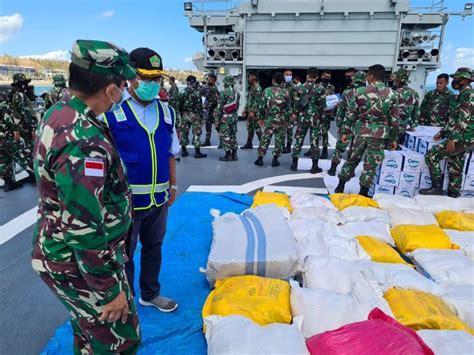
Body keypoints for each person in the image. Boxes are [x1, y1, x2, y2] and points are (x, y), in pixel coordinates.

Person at [32, 39, 141, 354]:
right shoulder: (84, 142)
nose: (124, 92)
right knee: (119, 341)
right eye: (122, 85)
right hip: (79, 262)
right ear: (109, 88)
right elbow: (83, 224)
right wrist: (109, 291)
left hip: (63, 252)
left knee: (88, 333)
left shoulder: (61, 111)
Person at [103, 47, 179, 312]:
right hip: (126, 202)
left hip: (158, 200)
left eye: (156, 79)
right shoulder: (111, 112)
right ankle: (128, 299)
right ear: (131, 77)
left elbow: (171, 152)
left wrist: (173, 185)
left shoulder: (168, 112)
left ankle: (150, 293)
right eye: (146, 78)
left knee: (153, 248)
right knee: (124, 254)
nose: (152, 84)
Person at [334, 64, 400, 197]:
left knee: (352, 159)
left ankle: (340, 187)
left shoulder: (359, 91)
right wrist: (393, 138)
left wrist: (345, 132)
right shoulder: (392, 94)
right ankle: (363, 193)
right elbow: (394, 120)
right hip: (379, 134)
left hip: (361, 131)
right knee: (371, 165)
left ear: (371, 75)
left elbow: (351, 114)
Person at [419, 67, 473, 198]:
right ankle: (453, 195)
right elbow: (454, 118)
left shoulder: (469, 95)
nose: (454, 81)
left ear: (465, 80)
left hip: (462, 138)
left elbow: (463, 118)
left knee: (432, 155)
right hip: (463, 137)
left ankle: (437, 188)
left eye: (456, 79)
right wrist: (443, 132)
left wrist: (453, 139)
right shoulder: (461, 95)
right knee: (455, 166)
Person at [328, 70, 367, 176]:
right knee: (355, 149)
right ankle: (350, 170)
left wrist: (339, 124)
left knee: (340, 147)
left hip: (347, 124)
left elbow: (341, 110)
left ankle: (333, 168)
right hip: (361, 125)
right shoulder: (369, 92)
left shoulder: (347, 92)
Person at [291, 67, 325, 173]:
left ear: (307, 75)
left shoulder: (300, 88)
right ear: (317, 76)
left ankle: (294, 164)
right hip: (315, 118)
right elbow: (322, 106)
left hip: (302, 117)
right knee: (314, 141)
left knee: (299, 140)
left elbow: (296, 104)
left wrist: (295, 114)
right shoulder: (320, 88)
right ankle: (314, 166)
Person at [0, 92, 35, 191]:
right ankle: (33, 175)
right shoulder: (2, 103)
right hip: (6, 135)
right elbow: (7, 118)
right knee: (22, 154)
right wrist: (15, 130)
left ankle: (8, 183)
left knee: (3, 160)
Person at [255, 72, 290, 167]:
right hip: (281, 120)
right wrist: (287, 120)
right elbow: (288, 109)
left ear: (273, 80)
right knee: (279, 140)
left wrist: (260, 118)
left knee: (265, 139)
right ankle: (275, 160)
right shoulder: (285, 93)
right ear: (282, 81)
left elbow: (261, 106)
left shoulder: (266, 91)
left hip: (269, 119)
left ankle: (260, 159)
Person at [10, 73, 37, 161]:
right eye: (24, 83)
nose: (26, 85)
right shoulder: (20, 95)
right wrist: (32, 128)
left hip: (23, 126)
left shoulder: (17, 94)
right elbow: (26, 113)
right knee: (32, 150)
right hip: (26, 127)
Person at [179, 75, 207, 158]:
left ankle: (184, 151)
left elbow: (179, 103)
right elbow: (202, 104)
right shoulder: (198, 92)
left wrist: (182, 113)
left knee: (184, 132)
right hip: (195, 115)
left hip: (185, 114)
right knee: (196, 133)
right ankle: (197, 152)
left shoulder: (183, 92)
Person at [390, 68, 420, 140]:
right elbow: (416, 112)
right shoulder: (414, 93)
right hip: (404, 128)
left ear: (397, 79)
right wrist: (413, 126)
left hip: (391, 127)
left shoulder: (390, 92)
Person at [217, 75, 240, 161]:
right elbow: (236, 107)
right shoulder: (238, 93)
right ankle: (235, 155)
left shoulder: (223, 93)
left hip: (225, 118)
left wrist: (217, 120)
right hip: (234, 118)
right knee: (233, 135)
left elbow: (219, 108)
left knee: (226, 136)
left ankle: (228, 155)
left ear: (226, 83)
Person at [317, 69, 336, 159]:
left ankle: (324, 150)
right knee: (314, 132)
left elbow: (332, 99)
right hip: (317, 112)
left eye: (328, 77)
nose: (326, 78)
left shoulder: (332, 88)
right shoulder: (316, 86)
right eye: (325, 76)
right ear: (321, 76)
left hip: (326, 113)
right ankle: (313, 149)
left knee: (324, 132)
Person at [241, 72, 263, 149]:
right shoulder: (252, 87)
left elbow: (257, 102)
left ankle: (262, 144)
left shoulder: (258, 88)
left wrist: (252, 112)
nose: (249, 79)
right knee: (250, 128)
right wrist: (245, 109)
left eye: (250, 77)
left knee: (257, 129)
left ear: (254, 77)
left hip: (255, 113)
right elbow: (250, 100)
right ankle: (249, 143)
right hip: (251, 111)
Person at [201, 73, 220, 147]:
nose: (207, 80)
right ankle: (207, 141)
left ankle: (222, 141)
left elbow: (203, 93)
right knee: (208, 126)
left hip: (212, 110)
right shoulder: (211, 87)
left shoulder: (211, 88)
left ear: (213, 80)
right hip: (209, 110)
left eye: (209, 79)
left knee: (217, 126)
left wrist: (204, 85)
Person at [282, 69, 297, 154]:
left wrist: (294, 112)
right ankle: (282, 145)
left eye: (290, 75)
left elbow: (296, 100)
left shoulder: (294, 87)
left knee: (289, 129)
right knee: (281, 130)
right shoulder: (281, 85)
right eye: (287, 74)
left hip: (290, 111)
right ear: (283, 76)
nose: (289, 76)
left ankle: (288, 146)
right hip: (281, 111)